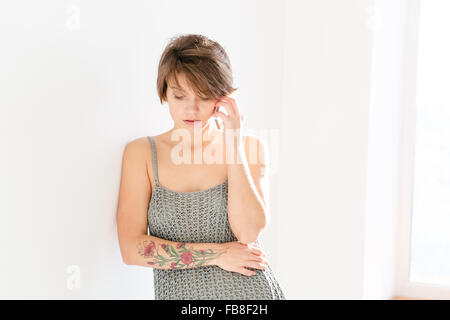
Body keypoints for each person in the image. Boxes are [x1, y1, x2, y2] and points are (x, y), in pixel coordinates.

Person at [116, 33, 286, 300]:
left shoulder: (249, 148)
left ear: (223, 97)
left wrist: (233, 144)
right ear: (164, 93)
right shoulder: (142, 154)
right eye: (179, 96)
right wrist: (218, 254)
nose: (191, 109)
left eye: (204, 97)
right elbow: (131, 248)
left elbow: (248, 232)